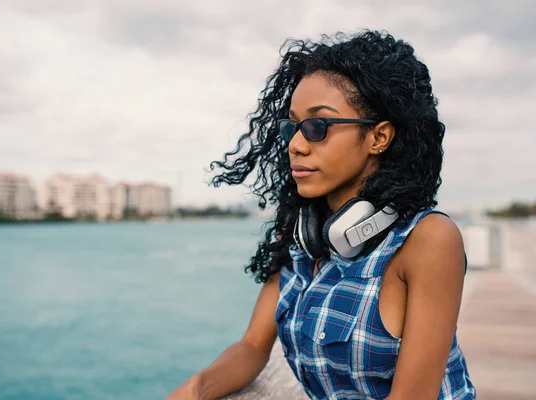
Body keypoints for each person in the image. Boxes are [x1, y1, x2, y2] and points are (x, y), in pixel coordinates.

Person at [167, 30, 476, 400]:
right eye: (291, 127)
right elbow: (251, 348)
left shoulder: (428, 240)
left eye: (318, 127)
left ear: (380, 137)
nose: (296, 145)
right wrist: (196, 389)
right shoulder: (300, 235)